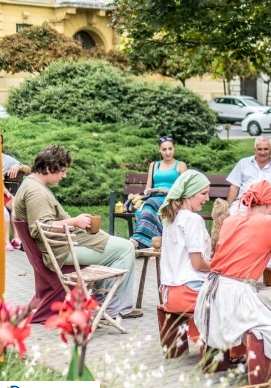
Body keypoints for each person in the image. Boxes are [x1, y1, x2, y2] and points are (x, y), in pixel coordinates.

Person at [194, 181, 271, 370]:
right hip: (238, 298)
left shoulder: (230, 220)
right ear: (269, 204)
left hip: (210, 293)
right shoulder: (269, 222)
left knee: (264, 290)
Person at [14, 145, 140, 319]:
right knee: (125, 249)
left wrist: (77, 223)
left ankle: (103, 302)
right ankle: (112, 308)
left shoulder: (31, 184)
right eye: (62, 171)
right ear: (49, 168)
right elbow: (42, 229)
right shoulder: (36, 192)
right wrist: (74, 222)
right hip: (62, 251)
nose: (64, 176)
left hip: (64, 245)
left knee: (118, 246)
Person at [159, 170, 211, 316]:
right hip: (189, 292)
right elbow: (197, 264)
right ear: (190, 193)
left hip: (169, 294)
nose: (207, 198)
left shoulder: (170, 219)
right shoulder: (193, 219)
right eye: (203, 193)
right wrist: (220, 266)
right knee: (236, 302)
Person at [130, 136, 188, 249]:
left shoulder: (180, 165)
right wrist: (150, 191)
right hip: (154, 197)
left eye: (170, 149)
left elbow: (184, 189)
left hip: (171, 199)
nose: (167, 152)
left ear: (174, 148)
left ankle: (139, 240)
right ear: (159, 150)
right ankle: (153, 245)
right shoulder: (154, 165)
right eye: (164, 149)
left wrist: (164, 190)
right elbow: (147, 188)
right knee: (147, 208)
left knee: (149, 205)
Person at [227, 136, 271, 215]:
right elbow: (234, 187)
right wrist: (228, 208)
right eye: (259, 149)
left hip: (267, 206)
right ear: (254, 150)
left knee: (261, 220)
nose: (262, 152)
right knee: (233, 216)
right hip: (243, 204)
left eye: (266, 149)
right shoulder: (243, 163)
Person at [2, 136, 31, 250]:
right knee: (4, 213)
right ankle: (5, 241)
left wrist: (18, 166)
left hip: (2, 193)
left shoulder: (6, 159)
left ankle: (16, 239)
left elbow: (28, 170)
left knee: (17, 206)